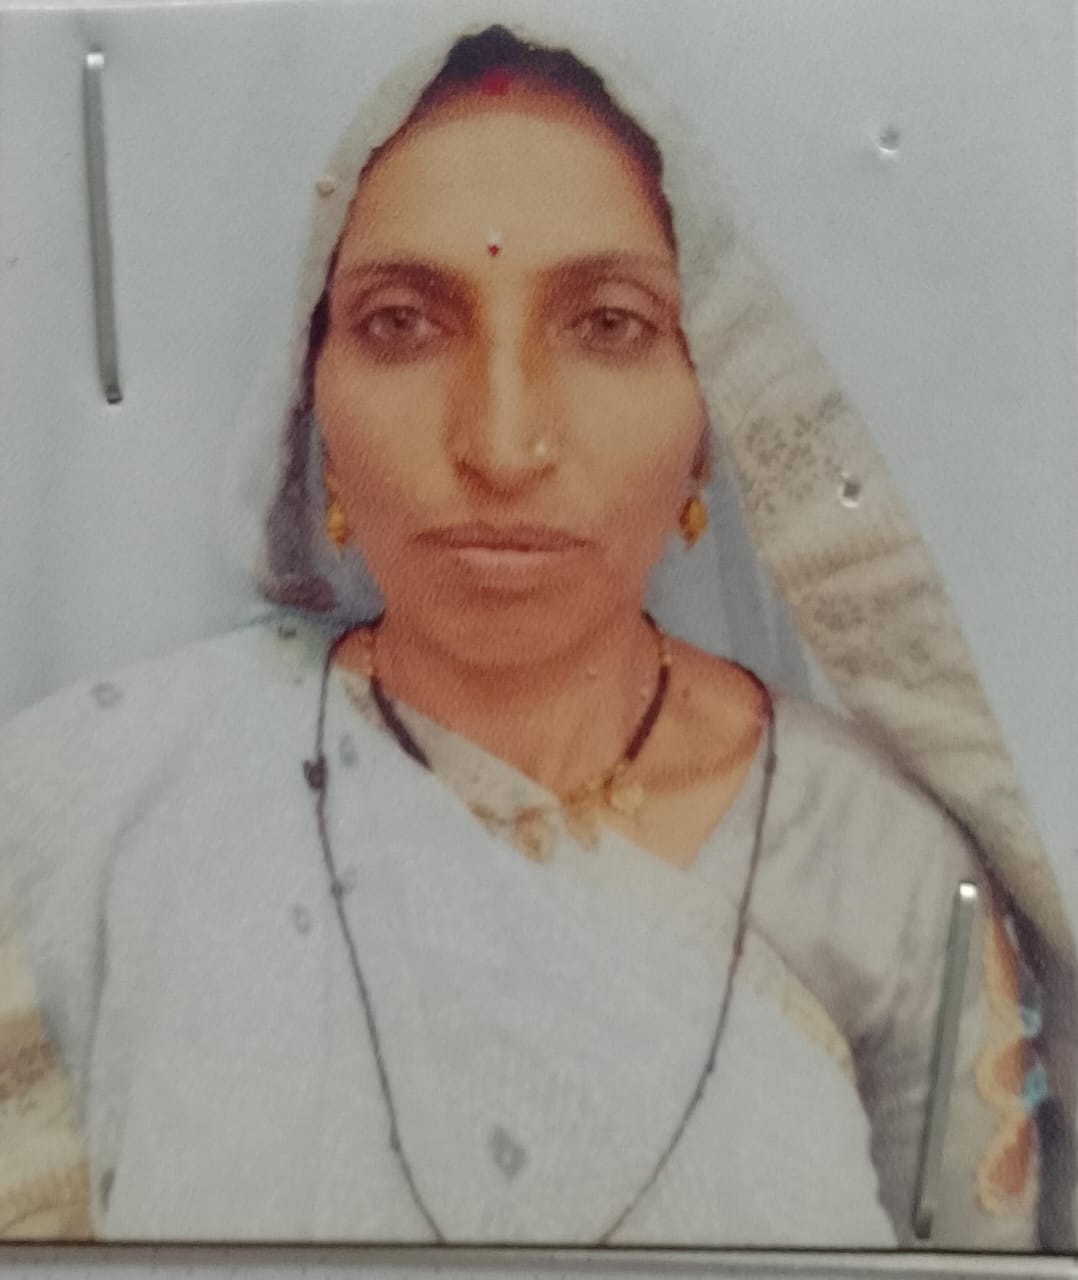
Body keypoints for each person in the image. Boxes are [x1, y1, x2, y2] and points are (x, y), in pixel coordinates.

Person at [0, 9, 1074, 1250]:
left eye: (607, 323)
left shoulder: (879, 871)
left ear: (710, 413)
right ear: (314, 408)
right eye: (403, 322)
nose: (503, 445)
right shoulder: (101, 811)